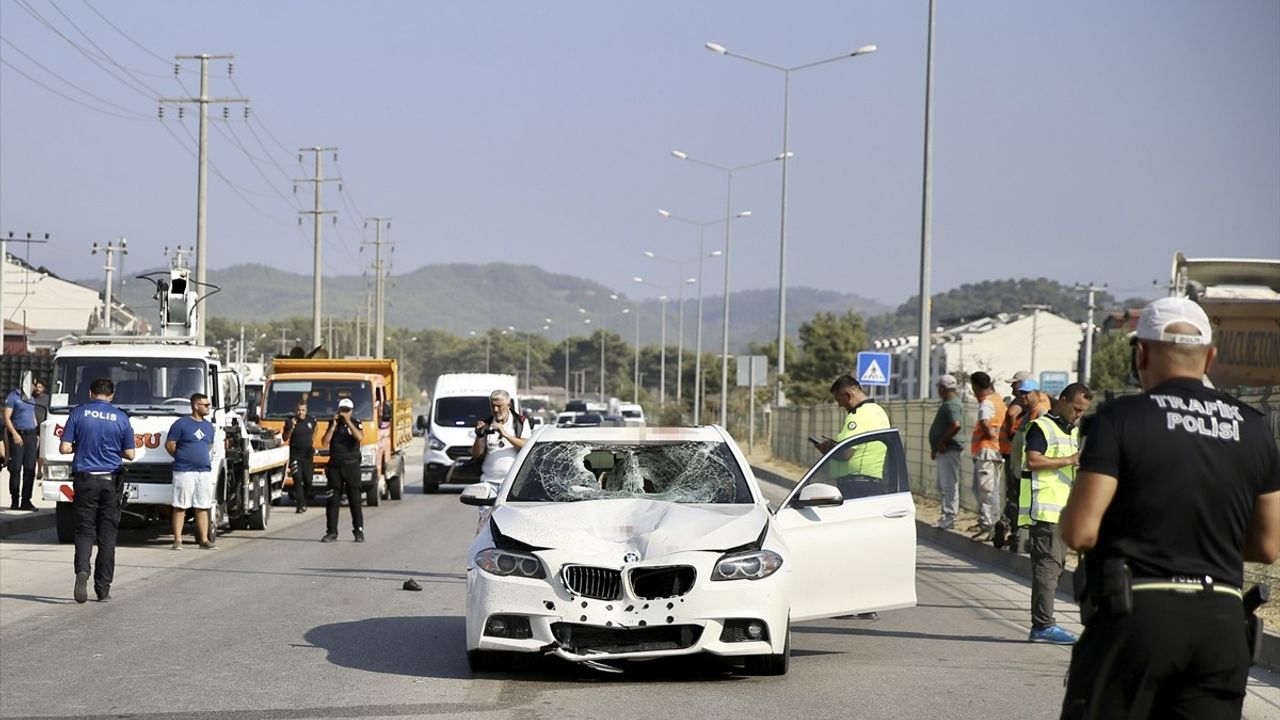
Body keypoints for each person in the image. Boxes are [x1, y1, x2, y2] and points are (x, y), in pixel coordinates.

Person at [1059, 297, 1279, 719]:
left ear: (1141, 353)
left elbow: (1080, 532)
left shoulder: (1120, 418)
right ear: (1210, 356)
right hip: (1222, 622)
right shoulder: (1254, 429)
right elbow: (1268, 546)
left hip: (1136, 617)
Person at [1019, 382, 1093, 644]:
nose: (1079, 414)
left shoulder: (1071, 430)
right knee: (1047, 570)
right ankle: (1042, 626)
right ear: (1062, 400)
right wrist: (1072, 459)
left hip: (1063, 512)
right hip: (1046, 511)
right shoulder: (1041, 427)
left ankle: (1044, 625)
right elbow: (1033, 460)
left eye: (1083, 411)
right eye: (1076, 408)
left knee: (1055, 568)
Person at [59, 378, 135, 603]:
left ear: (90, 393)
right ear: (111, 396)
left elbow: (64, 447)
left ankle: (82, 571)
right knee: (107, 535)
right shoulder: (121, 417)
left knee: (84, 531)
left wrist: (80, 446)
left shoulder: (78, 414)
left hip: (85, 481)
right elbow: (130, 454)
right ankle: (103, 589)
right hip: (110, 482)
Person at [996, 376, 1051, 551]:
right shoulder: (1029, 413)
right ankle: (1015, 533)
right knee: (1015, 499)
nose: (1023, 398)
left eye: (1026, 394)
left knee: (1022, 502)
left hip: (1028, 468)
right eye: (1021, 395)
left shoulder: (1041, 412)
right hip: (1018, 466)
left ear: (1036, 393)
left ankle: (1021, 537)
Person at [165, 393, 217, 551]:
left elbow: (208, 446)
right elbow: (170, 445)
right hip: (184, 471)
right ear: (196, 406)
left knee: (203, 506)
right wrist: (182, 457)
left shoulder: (208, 426)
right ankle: (178, 540)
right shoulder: (181, 424)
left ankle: (204, 540)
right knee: (181, 505)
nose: (209, 407)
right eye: (206, 405)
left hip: (204, 472)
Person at [968, 371, 1006, 541]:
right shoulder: (999, 400)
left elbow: (984, 423)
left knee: (985, 491)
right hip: (997, 451)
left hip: (986, 451)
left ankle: (988, 526)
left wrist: (990, 434)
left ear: (976, 387)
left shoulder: (986, 403)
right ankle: (993, 525)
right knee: (993, 491)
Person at [321, 397, 364, 543]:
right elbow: (324, 442)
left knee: (355, 500)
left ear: (351, 411)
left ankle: (358, 531)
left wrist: (348, 422)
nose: (344, 413)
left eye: (347, 411)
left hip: (351, 466)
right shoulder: (333, 424)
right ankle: (332, 532)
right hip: (335, 466)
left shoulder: (356, 423)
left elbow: (359, 437)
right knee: (333, 500)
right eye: (342, 410)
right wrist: (333, 426)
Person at [473, 389, 531, 494]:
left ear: (509, 405)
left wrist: (505, 434)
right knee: (487, 511)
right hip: (488, 482)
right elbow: (476, 455)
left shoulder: (520, 422)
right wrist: (479, 435)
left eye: (499, 406)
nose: (495, 410)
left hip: (512, 482)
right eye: (492, 406)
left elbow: (526, 446)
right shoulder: (486, 424)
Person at [928, 374, 964, 530]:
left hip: (949, 449)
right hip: (944, 449)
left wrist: (942, 442)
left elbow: (955, 425)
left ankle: (950, 517)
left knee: (949, 484)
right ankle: (947, 515)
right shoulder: (949, 403)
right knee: (944, 484)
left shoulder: (951, 405)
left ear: (942, 388)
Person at [5, 376, 45, 511]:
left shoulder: (31, 398)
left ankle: (26, 500)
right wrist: (14, 434)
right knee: (15, 469)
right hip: (18, 436)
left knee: (29, 469)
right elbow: (6, 417)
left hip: (31, 436)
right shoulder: (13, 396)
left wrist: (37, 434)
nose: (33, 387)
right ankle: (14, 500)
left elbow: (32, 415)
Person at [282, 401, 317, 513]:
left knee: (308, 480)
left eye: (302, 410)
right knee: (297, 480)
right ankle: (300, 505)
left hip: (307, 454)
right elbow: (285, 437)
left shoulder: (311, 420)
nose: (300, 412)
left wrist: (312, 440)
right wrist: (291, 427)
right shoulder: (290, 421)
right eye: (298, 410)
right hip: (295, 454)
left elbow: (316, 428)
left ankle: (304, 500)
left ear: (306, 411)